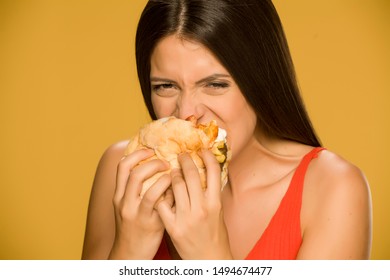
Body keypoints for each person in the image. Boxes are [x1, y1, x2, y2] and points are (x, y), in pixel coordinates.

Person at [81, 0, 372, 260]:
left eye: (215, 85)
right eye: (166, 86)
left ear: (260, 82)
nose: (186, 114)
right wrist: (129, 251)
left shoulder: (333, 188)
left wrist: (210, 257)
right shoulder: (124, 170)